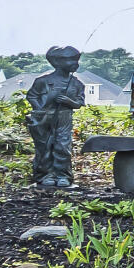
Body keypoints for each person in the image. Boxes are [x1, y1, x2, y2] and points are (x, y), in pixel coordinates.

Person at [25, 46, 88, 188]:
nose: (75, 63)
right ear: (57, 62)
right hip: (44, 118)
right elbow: (32, 96)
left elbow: (79, 103)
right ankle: (45, 175)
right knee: (45, 146)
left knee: (62, 146)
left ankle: (63, 175)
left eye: (76, 60)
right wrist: (40, 109)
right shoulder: (42, 81)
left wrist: (69, 102)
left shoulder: (77, 84)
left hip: (64, 117)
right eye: (70, 60)